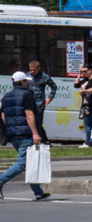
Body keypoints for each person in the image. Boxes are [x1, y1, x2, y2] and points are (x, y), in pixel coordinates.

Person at [0, 71, 50, 200]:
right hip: (25, 133)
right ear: (22, 82)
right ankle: (1, 180)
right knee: (23, 163)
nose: (27, 83)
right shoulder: (26, 95)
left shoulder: (6, 96)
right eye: (26, 81)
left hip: (13, 134)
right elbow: (29, 115)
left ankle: (38, 192)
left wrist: (10, 130)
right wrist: (35, 133)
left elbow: (3, 116)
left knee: (29, 162)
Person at [74, 65, 92, 135]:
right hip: (85, 103)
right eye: (83, 72)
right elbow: (76, 85)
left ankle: (88, 141)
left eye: (85, 71)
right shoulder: (86, 79)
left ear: (90, 70)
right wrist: (79, 74)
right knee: (88, 123)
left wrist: (85, 91)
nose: (84, 73)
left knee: (88, 124)